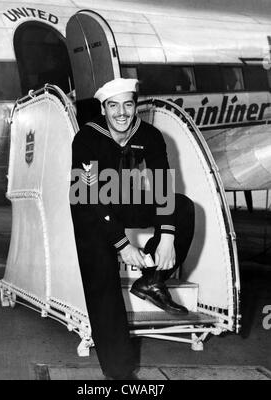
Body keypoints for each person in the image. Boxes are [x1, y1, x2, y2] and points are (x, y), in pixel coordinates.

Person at [70, 78, 194, 380]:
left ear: (135, 105)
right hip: (92, 208)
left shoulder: (150, 135)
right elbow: (86, 196)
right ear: (104, 108)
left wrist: (166, 236)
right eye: (114, 106)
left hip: (128, 199)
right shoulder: (87, 138)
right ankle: (120, 374)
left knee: (184, 207)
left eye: (128, 104)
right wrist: (122, 245)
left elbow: (164, 184)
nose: (122, 113)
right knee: (104, 289)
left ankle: (152, 281)